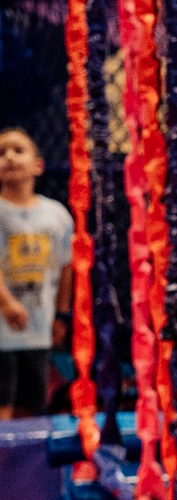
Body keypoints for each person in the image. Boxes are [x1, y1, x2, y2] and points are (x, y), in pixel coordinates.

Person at [0, 129, 72, 420]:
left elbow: (66, 267)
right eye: (2, 153)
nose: (9, 157)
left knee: (31, 404)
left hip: (37, 329)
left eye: (18, 150)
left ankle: (25, 466)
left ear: (37, 165)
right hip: (2, 333)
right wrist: (5, 303)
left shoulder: (56, 214)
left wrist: (61, 315)